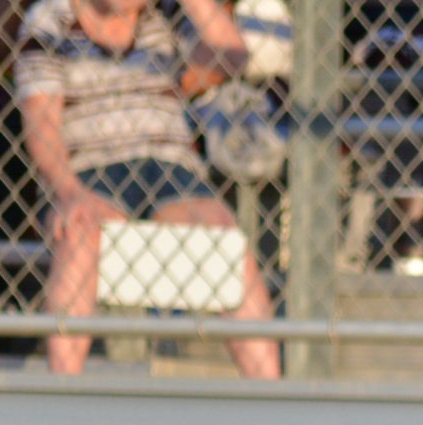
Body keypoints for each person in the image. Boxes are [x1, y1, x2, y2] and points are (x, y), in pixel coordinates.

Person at [14, 0, 280, 378]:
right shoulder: (51, 18)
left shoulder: (164, 17)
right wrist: (68, 191)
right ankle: (62, 396)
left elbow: (231, 54)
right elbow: (41, 124)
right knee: (80, 231)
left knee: (225, 235)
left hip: (168, 164)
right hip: (91, 169)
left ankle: (267, 400)